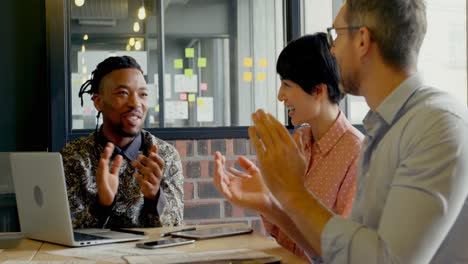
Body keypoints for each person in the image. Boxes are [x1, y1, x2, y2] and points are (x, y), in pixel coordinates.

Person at [247, 0, 468, 263]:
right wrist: (277, 197)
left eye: (336, 35)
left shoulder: (438, 124)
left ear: (362, 40)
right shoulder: (383, 127)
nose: (332, 49)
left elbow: (388, 260)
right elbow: (347, 249)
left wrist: (293, 192)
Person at [214, 33, 363, 260]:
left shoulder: (357, 154)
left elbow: (340, 254)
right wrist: (265, 201)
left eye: (287, 84)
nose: (280, 96)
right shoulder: (299, 140)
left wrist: (273, 203)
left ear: (318, 90)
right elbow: (284, 237)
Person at [61, 56, 184, 229]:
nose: (136, 103)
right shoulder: (74, 157)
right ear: (98, 102)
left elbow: (175, 227)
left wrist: (155, 197)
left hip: (148, 255)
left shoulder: (163, 156)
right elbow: (64, 230)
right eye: (123, 93)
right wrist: (102, 204)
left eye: (143, 94)